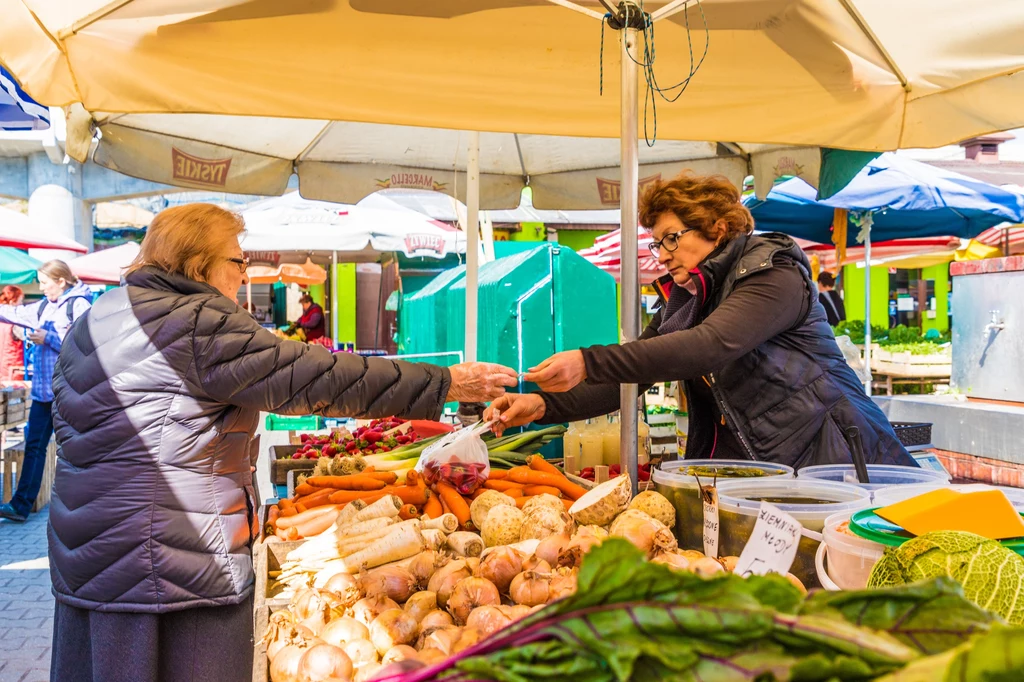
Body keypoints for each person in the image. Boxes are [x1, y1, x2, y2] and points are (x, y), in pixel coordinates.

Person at [46, 203, 517, 682]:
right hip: (169, 564)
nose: (242, 273)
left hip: (89, 550)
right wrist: (443, 383)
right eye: (237, 261)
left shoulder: (97, 316)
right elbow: (314, 375)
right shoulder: (196, 321)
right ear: (198, 264)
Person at [487, 173, 914, 470]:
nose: (664, 252)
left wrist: (588, 359)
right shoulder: (685, 300)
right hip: (757, 470)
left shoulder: (772, 272)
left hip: (834, 458)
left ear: (718, 227)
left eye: (672, 237)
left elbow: (709, 345)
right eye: (658, 243)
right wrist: (543, 406)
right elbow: (635, 378)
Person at [0, 263, 92, 523]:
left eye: (44, 282)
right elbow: (12, 313)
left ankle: (82, 510)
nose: (40, 288)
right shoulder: (42, 306)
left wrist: (49, 337)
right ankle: (20, 506)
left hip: (68, 393)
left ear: (61, 281)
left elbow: (86, 344)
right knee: (34, 448)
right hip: (43, 394)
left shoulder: (80, 306)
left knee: (74, 452)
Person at [0, 285, 25, 381]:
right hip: (12, 371)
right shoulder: (15, 324)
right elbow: (28, 338)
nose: (22, 305)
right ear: (12, 302)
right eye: (20, 301)